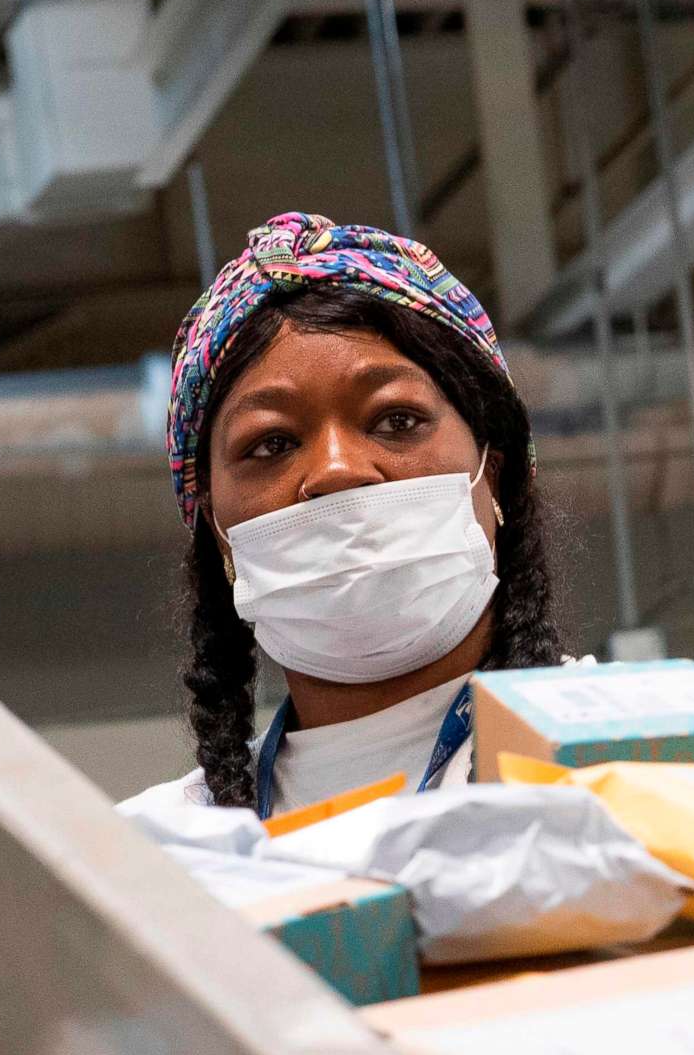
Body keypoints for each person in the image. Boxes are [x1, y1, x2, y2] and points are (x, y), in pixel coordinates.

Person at [127, 212, 564, 818]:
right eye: (272, 443)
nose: (337, 470)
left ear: (494, 471)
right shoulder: (159, 855)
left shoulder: (653, 755)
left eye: (396, 421)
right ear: (219, 536)